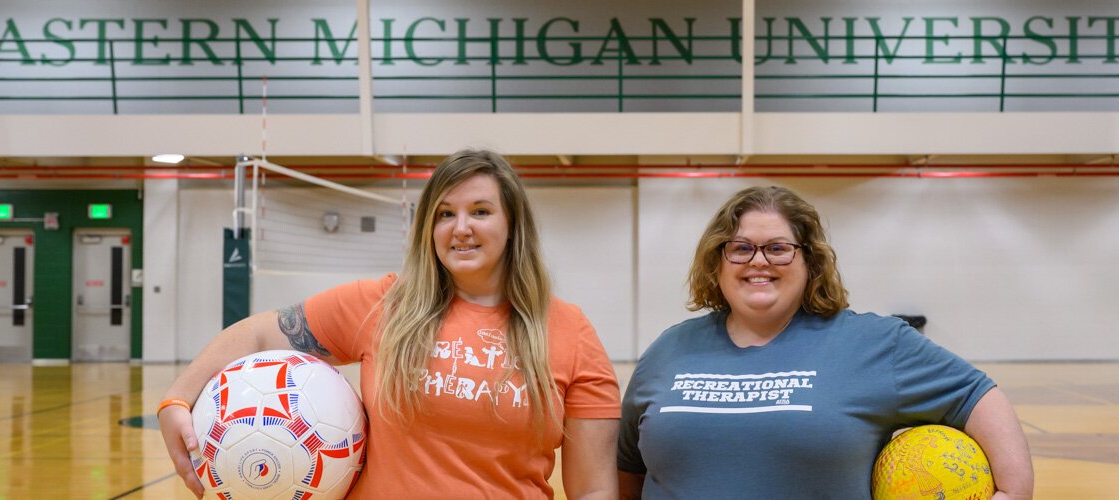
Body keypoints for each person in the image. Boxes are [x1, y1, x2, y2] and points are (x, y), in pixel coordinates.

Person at [157, 150, 620, 499]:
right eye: (444, 213)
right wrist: (177, 398)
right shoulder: (384, 304)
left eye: (480, 211)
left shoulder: (568, 330)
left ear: (513, 224)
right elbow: (259, 333)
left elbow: (594, 489)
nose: (461, 228)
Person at [617, 186, 1033, 499]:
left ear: (810, 261)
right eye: (740, 248)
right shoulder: (669, 350)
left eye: (778, 249)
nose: (758, 261)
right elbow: (627, 467)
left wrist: (1014, 492)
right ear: (717, 261)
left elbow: (976, 394)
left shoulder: (873, 343)